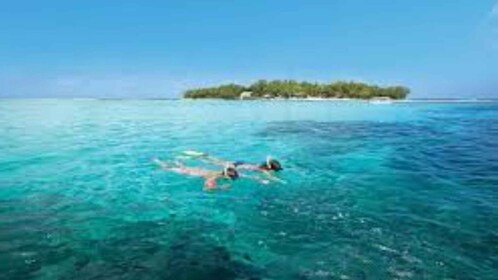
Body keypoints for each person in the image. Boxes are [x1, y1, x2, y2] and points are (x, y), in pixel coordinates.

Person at [153, 158, 239, 191]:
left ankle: (173, 162)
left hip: (194, 170)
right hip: (189, 172)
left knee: (173, 166)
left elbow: (228, 167)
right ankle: (157, 162)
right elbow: (206, 188)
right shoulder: (216, 176)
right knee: (167, 168)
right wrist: (221, 188)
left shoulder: (219, 173)